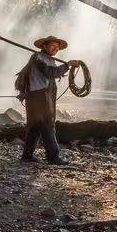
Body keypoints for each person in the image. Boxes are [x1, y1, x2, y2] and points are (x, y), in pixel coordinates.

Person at [15, 35, 81, 165]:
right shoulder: (39, 57)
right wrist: (68, 65)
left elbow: (52, 73)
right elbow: (51, 73)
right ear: (44, 46)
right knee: (48, 126)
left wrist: (66, 66)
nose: (55, 49)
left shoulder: (48, 59)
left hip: (36, 96)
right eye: (52, 46)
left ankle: (27, 156)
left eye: (57, 48)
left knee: (35, 127)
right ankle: (53, 158)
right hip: (39, 96)